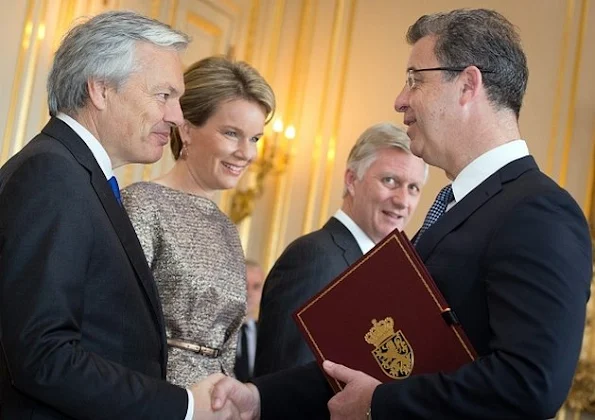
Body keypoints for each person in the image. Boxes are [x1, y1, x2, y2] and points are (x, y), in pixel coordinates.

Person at [209, 8, 593, 419]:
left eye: (415, 79)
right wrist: (260, 397)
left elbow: (530, 384)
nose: (400, 100)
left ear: (467, 84)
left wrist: (380, 404)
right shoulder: (460, 205)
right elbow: (363, 364)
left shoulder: (537, 212)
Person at [0, 11, 238, 419]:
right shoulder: (52, 176)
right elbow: (43, 356)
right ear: (101, 89)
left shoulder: (76, 175)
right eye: (163, 95)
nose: (177, 117)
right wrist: (183, 405)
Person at [121, 56, 275, 386]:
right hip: (156, 400)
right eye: (232, 133)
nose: (246, 153)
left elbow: (228, 348)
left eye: (255, 139)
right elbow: (119, 331)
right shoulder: (143, 204)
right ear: (187, 130)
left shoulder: (227, 228)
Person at [255, 122, 427, 376]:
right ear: (351, 180)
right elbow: (285, 381)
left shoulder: (385, 270)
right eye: (390, 181)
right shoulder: (313, 258)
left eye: (413, 188)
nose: (403, 201)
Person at [235, 260, 265, 382]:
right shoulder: (217, 330)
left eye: (256, 287)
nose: (249, 293)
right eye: (244, 285)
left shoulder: (267, 332)